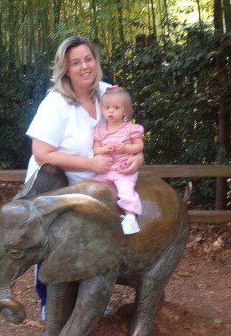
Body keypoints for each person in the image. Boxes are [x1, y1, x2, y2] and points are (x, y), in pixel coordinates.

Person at [24, 36, 144, 320]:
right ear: (65, 69)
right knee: (52, 245)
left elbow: (128, 133)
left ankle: (89, 301)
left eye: (88, 59)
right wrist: (90, 162)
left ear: (96, 61)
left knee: (89, 242)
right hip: (54, 181)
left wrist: (137, 159)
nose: (84, 66)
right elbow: (41, 152)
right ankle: (48, 304)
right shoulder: (55, 103)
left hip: (95, 184)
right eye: (75, 62)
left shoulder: (107, 92)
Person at [93, 86, 144, 235]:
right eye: (107, 107)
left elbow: (139, 146)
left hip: (123, 169)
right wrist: (103, 150)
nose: (110, 111)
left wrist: (126, 149)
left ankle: (130, 218)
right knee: (94, 189)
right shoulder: (101, 130)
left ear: (125, 111)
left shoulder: (131, 129)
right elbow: (96, 148)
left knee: (126, 191)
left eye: (116, 108)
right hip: (105, 169)